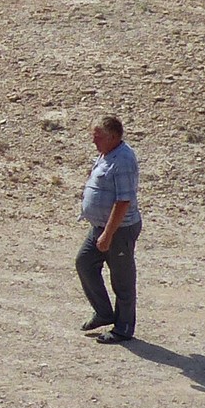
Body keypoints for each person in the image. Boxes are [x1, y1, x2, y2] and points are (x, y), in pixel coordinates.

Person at [77, 114, 143, 344]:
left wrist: (108, 234)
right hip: (101, 226)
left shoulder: (123, 160)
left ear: (113, 137)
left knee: (122, 279)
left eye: (98, 137)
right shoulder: (107, 154)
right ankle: (104, 312)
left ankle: (124, 328)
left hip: (119, 230)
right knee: (85, 263)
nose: (94, 142)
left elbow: (123, 202)